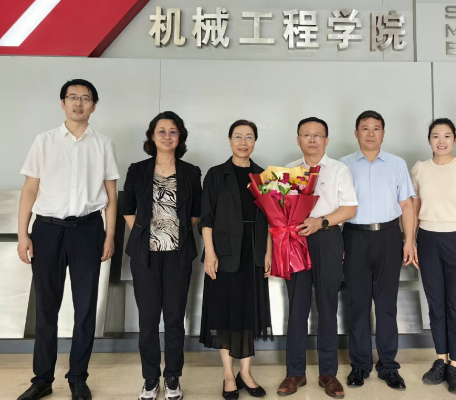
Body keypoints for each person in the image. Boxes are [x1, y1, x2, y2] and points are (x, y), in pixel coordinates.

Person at [17, 79, 119, 400]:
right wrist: (23, 234)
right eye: (72, 97)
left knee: (85, 308)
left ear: (93, 106)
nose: (78, 103)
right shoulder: (44, 141)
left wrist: (109, 235)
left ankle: (78, 378)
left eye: (85, 98)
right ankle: (42, 379)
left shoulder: (103, 144)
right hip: (47, 230)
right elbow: (30, 189)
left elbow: (111, 194)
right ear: (62, 103)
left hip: (89, 230)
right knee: (46, 307)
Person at [122, 111, 202, 400]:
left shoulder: (191, 172)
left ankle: (172, 377)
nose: (167, 136)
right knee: (147, 321)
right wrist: (146, 233)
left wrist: (172, 233)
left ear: (180, 137)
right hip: (145, 256)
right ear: (152, 136)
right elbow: (128, 209)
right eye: (161, 131)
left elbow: (195, 213)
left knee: (174, 320)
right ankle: (150, 378)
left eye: (173, 131)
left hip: (178, 256)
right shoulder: (137, 170)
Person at [277, 117, 358, 398]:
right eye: (306, 134)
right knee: (297, 308)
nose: (312, 139)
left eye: (317, 135)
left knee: (327, 306)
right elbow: (278, 211)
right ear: (298, 139)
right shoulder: (287, 171)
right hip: (295, 240)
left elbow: (350, 208)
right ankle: (294, 372)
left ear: (326, 140)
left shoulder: (339, 170)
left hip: (327, 238)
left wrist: (320, 222)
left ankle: (328, 373)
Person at [340, 110, 416, 390]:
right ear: (356, 133)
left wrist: (409, 241)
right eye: (365, 128)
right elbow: (336, 207)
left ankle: (388, 366)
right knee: (358, 305)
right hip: (354, 237)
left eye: (376, 128)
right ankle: (360, 365)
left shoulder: (397, 164)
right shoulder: (343, 165)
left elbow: (406, 205)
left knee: (386, 305)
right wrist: (339, 244)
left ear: (383, 133)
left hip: (388, 237)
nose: (370, 133)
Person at [199, 120, 273, 400]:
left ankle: (246, 373)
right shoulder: (216, 174)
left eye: (249, 137)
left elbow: (271, 218)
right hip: (224, 251)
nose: (243, 142)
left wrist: (268, 252)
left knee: (249, 312)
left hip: (254, 250)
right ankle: (229, 374)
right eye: (238, 137)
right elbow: (206, 217)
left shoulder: (264, 175)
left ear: (255, 142)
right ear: (230, 140)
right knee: (225, 312)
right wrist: (210, 253)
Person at [411, 118, 456, 395]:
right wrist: (412, 242)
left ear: (455, 139)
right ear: (429, 139)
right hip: (428, 240)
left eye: (447, 136)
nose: (441, 141)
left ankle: (455, 366)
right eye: (435, 136)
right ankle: (441, 359)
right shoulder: (420, 169)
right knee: (435, 304)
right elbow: (415, 210)